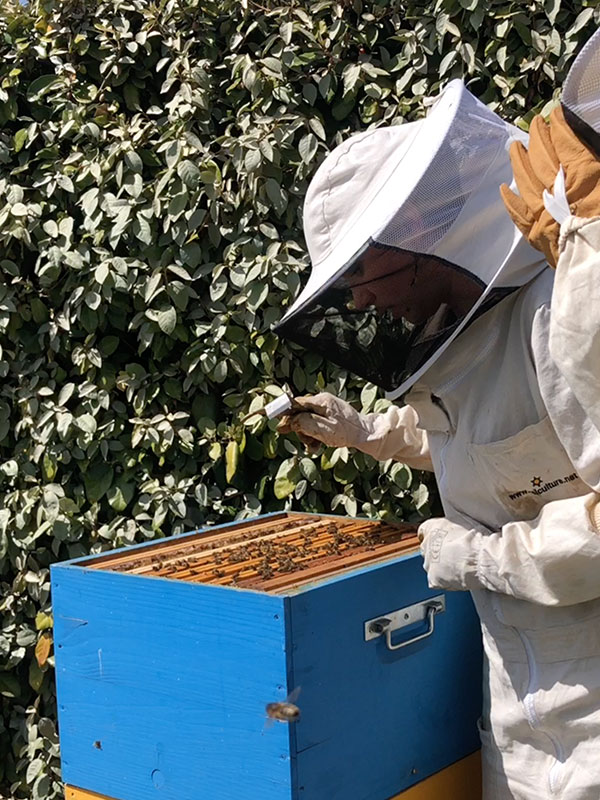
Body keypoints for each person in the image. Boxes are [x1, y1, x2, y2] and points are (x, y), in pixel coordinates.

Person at [275, 78, 600, 799]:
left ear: (416, 232)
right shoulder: (455, 336)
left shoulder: (557, 321)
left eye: (360, 270)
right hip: (520, 723)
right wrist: (369, 434)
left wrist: (480, 558)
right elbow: (501, 453)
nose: (357, 297)